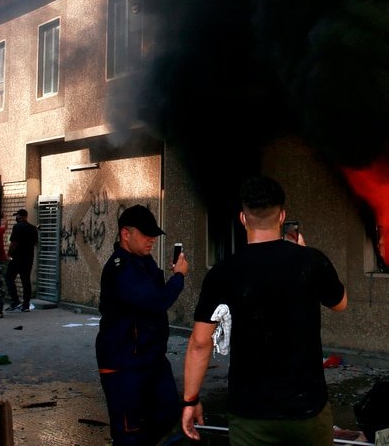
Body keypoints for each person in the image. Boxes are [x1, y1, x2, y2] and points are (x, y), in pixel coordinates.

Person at [181, 175, 348, 445]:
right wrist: (307, 260)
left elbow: (200, 343)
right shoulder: (312, 261)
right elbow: (340, 303)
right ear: (282, 217)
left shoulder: (223, 273)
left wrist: (190, 400)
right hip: (307, 411)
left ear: (243, 219)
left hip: (250, 415)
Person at [95, 204, 188, 445]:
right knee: (129, 431)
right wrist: (178, 277)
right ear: (126, 234)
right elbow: (157, 302)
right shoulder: (120, 268)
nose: (151, 241)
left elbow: (154, 294)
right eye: (146, 235)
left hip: (151, 358)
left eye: (153, 236)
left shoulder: (142, 262)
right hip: (124, 363)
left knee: (167, 414)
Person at [4, 208, 38, 312]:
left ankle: (15, 301)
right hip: (28, 258)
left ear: (22, 216)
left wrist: (8, 255)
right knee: (26, 280)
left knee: (9, 278)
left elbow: (13, 243)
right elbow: (35, 243)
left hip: (17, 258)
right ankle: (26, 305)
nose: (16, 218)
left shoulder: (17, 227)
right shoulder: (33, 228)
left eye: (17, 216)